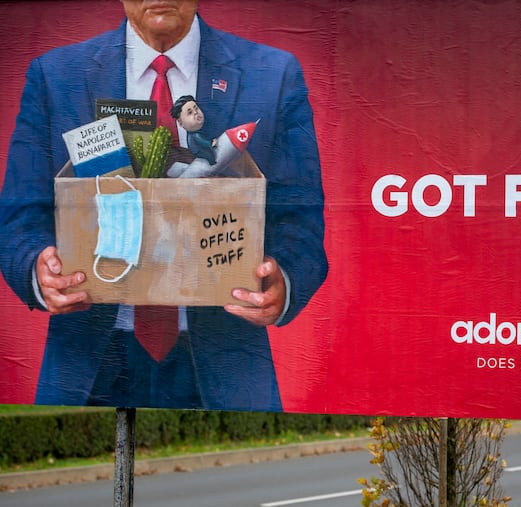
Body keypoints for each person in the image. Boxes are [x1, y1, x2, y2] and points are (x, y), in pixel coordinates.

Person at [0, 1, 327, 410]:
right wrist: (37, 270)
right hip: (87, 358)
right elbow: (19, 214)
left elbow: (302, 220)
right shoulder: (55, 76)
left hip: (225, 364)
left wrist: (285, 280)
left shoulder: (274, 75)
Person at [170, 94, 216, 164]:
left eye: (196, 108)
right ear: (180, 122)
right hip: (199, 151)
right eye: (190, 112)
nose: (195, 112)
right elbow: (202, 142)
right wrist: (211, 143)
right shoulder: (195, 135)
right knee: (210, 156)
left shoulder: (200, 130)